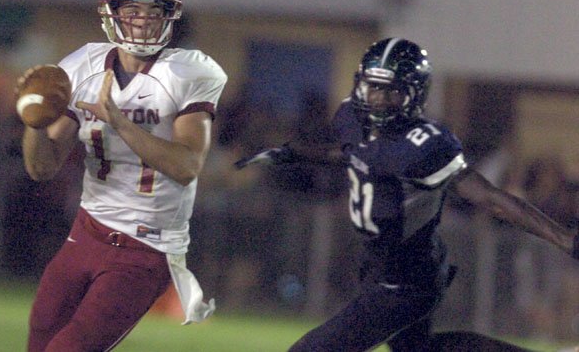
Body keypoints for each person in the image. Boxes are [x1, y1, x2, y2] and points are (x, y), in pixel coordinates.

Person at [235, 37, 579, 352]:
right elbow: (353, 153)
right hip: (380, 269)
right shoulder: (351, 118)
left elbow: (490, 199)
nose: (379, 100)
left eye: (392, 92)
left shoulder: (424, 145)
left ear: (415, 94)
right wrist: (293, 153)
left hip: (406, 282)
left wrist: (565, 239)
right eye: (373, 88)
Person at [17, 0, 227, 351]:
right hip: (86, 231)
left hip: (145, 247)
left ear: (170, 16)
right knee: (40, 340)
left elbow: (187, 166)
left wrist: (121, 122)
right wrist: (33, 118)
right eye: (132, 9)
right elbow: (42, 167)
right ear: (110, 13)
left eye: (155, 10)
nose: (144, 20)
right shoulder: (84, 65)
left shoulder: (188, 72)